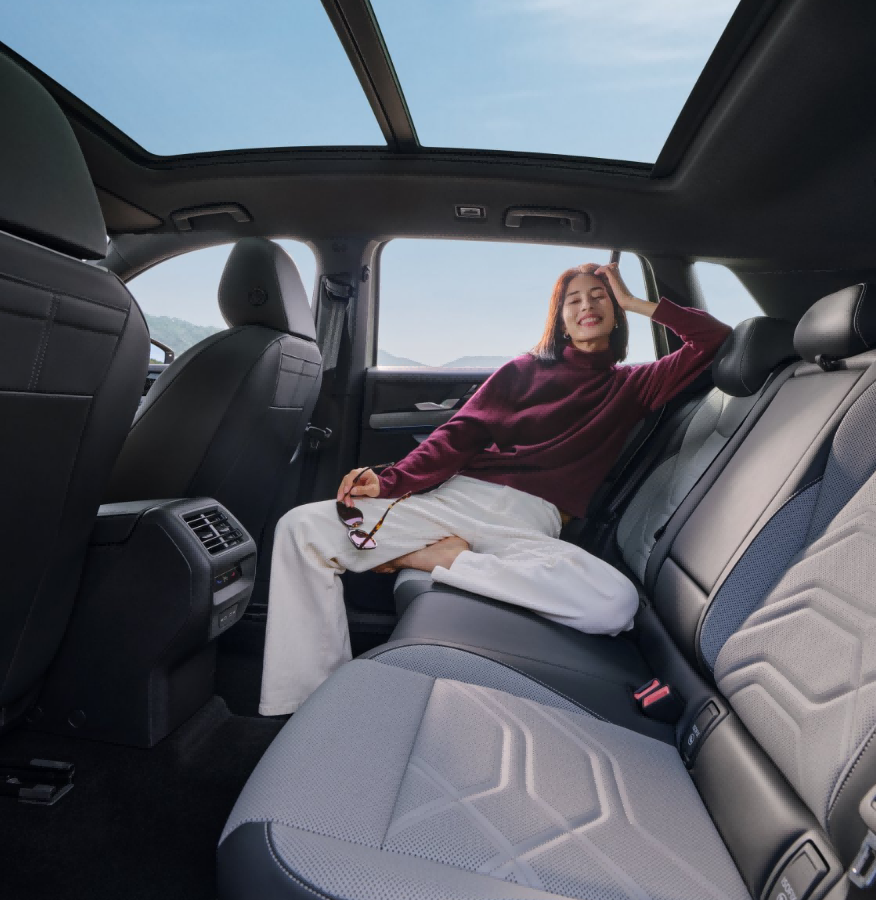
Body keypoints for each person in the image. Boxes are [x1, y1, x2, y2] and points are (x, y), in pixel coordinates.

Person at [258, 262, 731, 715]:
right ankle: (307, 700)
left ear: (616, 311)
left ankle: (445, 560)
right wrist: (390, 480)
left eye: (599, 297)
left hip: (530, 521)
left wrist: (637, 301)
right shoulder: (522, 371)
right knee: (302, 528)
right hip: (459, 498)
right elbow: (457, 435)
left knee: (616, 604)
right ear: (560, 318)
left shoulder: (635, 385)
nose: (587, 306)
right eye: (573, 300)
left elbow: (714, 340)